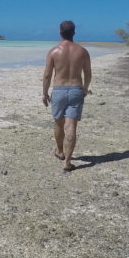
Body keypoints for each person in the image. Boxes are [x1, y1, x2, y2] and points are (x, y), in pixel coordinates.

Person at [42, 20, 92, 171]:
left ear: (60, 32)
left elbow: (47, 75)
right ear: (74, 32)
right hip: (76, 89)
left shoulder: (53, 51)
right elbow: (88, 73)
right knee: (71, 126)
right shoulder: (82, 51)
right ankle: (67, 162)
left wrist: (44, 93)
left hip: (59, 90)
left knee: (58, 123)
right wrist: (85, 88)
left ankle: (60, 151)